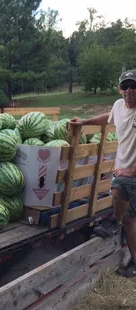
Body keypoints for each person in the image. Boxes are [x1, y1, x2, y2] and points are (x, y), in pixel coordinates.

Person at [71, 70, 136, 278]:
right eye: (125, 87)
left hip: (131, 174)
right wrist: (84, 122)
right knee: (131, 220)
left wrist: (131, 170)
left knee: (119, 189)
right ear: (120, 89)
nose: (129, 91)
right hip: (124, 170)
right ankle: (134, 262)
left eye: (133, 86)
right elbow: (108, 119)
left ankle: (114, 223)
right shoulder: (118, 106)